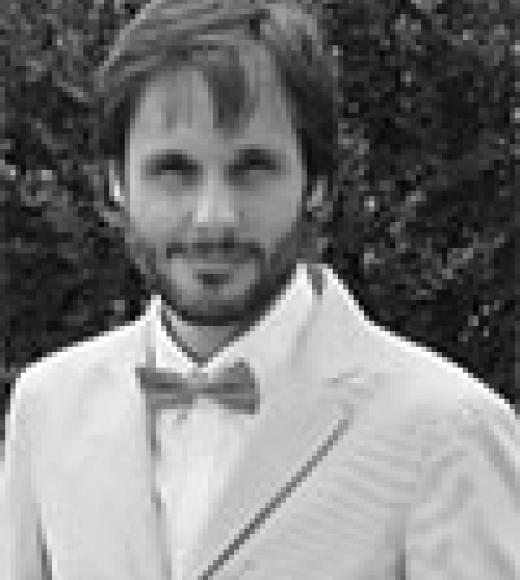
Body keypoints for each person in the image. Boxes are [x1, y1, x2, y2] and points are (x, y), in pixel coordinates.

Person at [1, 1, 518, 578]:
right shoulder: (46, 407)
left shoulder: (451, 432)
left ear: (317, 183)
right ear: (117, 183)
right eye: (174, 170)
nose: (212, 218)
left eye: (251, 169)